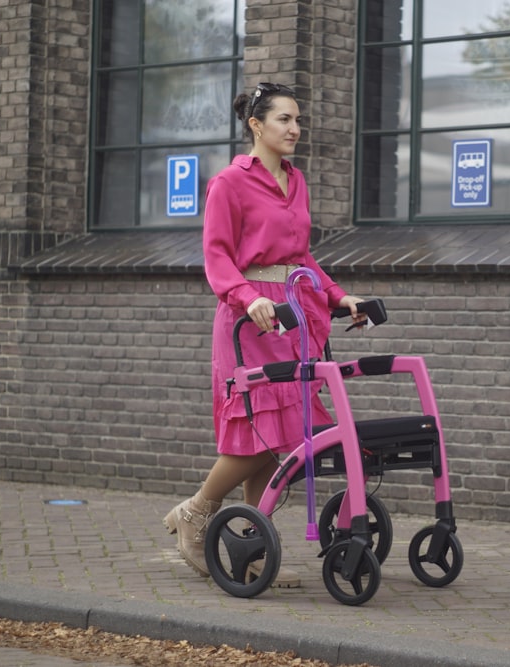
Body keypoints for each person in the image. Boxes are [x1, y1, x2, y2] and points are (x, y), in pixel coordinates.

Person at [163, 83, 365, 586]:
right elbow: (217, 255)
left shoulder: (296, 182)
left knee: (280, 440)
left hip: (293, 316)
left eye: (298, 120)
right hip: (249, 319)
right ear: (257, 125)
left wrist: (338, 296)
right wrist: (244, 296)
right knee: (259, 430)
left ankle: (251, 549)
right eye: (284, 120)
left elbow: (302, 257)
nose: (295, 129)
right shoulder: (229, 183)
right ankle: (196, 512)